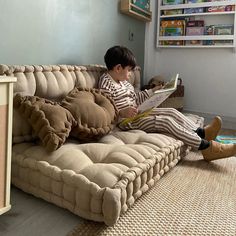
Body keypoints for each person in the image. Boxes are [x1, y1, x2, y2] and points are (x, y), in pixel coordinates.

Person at [98, 45, 236, 161]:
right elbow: (106, 108)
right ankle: (206, 148)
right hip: (126, 121)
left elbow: (136, 98)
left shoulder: (125, 83)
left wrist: (154, 91)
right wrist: (122, 112)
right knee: (165, 121)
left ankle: (202, 133)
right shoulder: (106, 83)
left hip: (138, 112)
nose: (130, 74)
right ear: (118, 68)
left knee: (171, 111)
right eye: (128, 70)